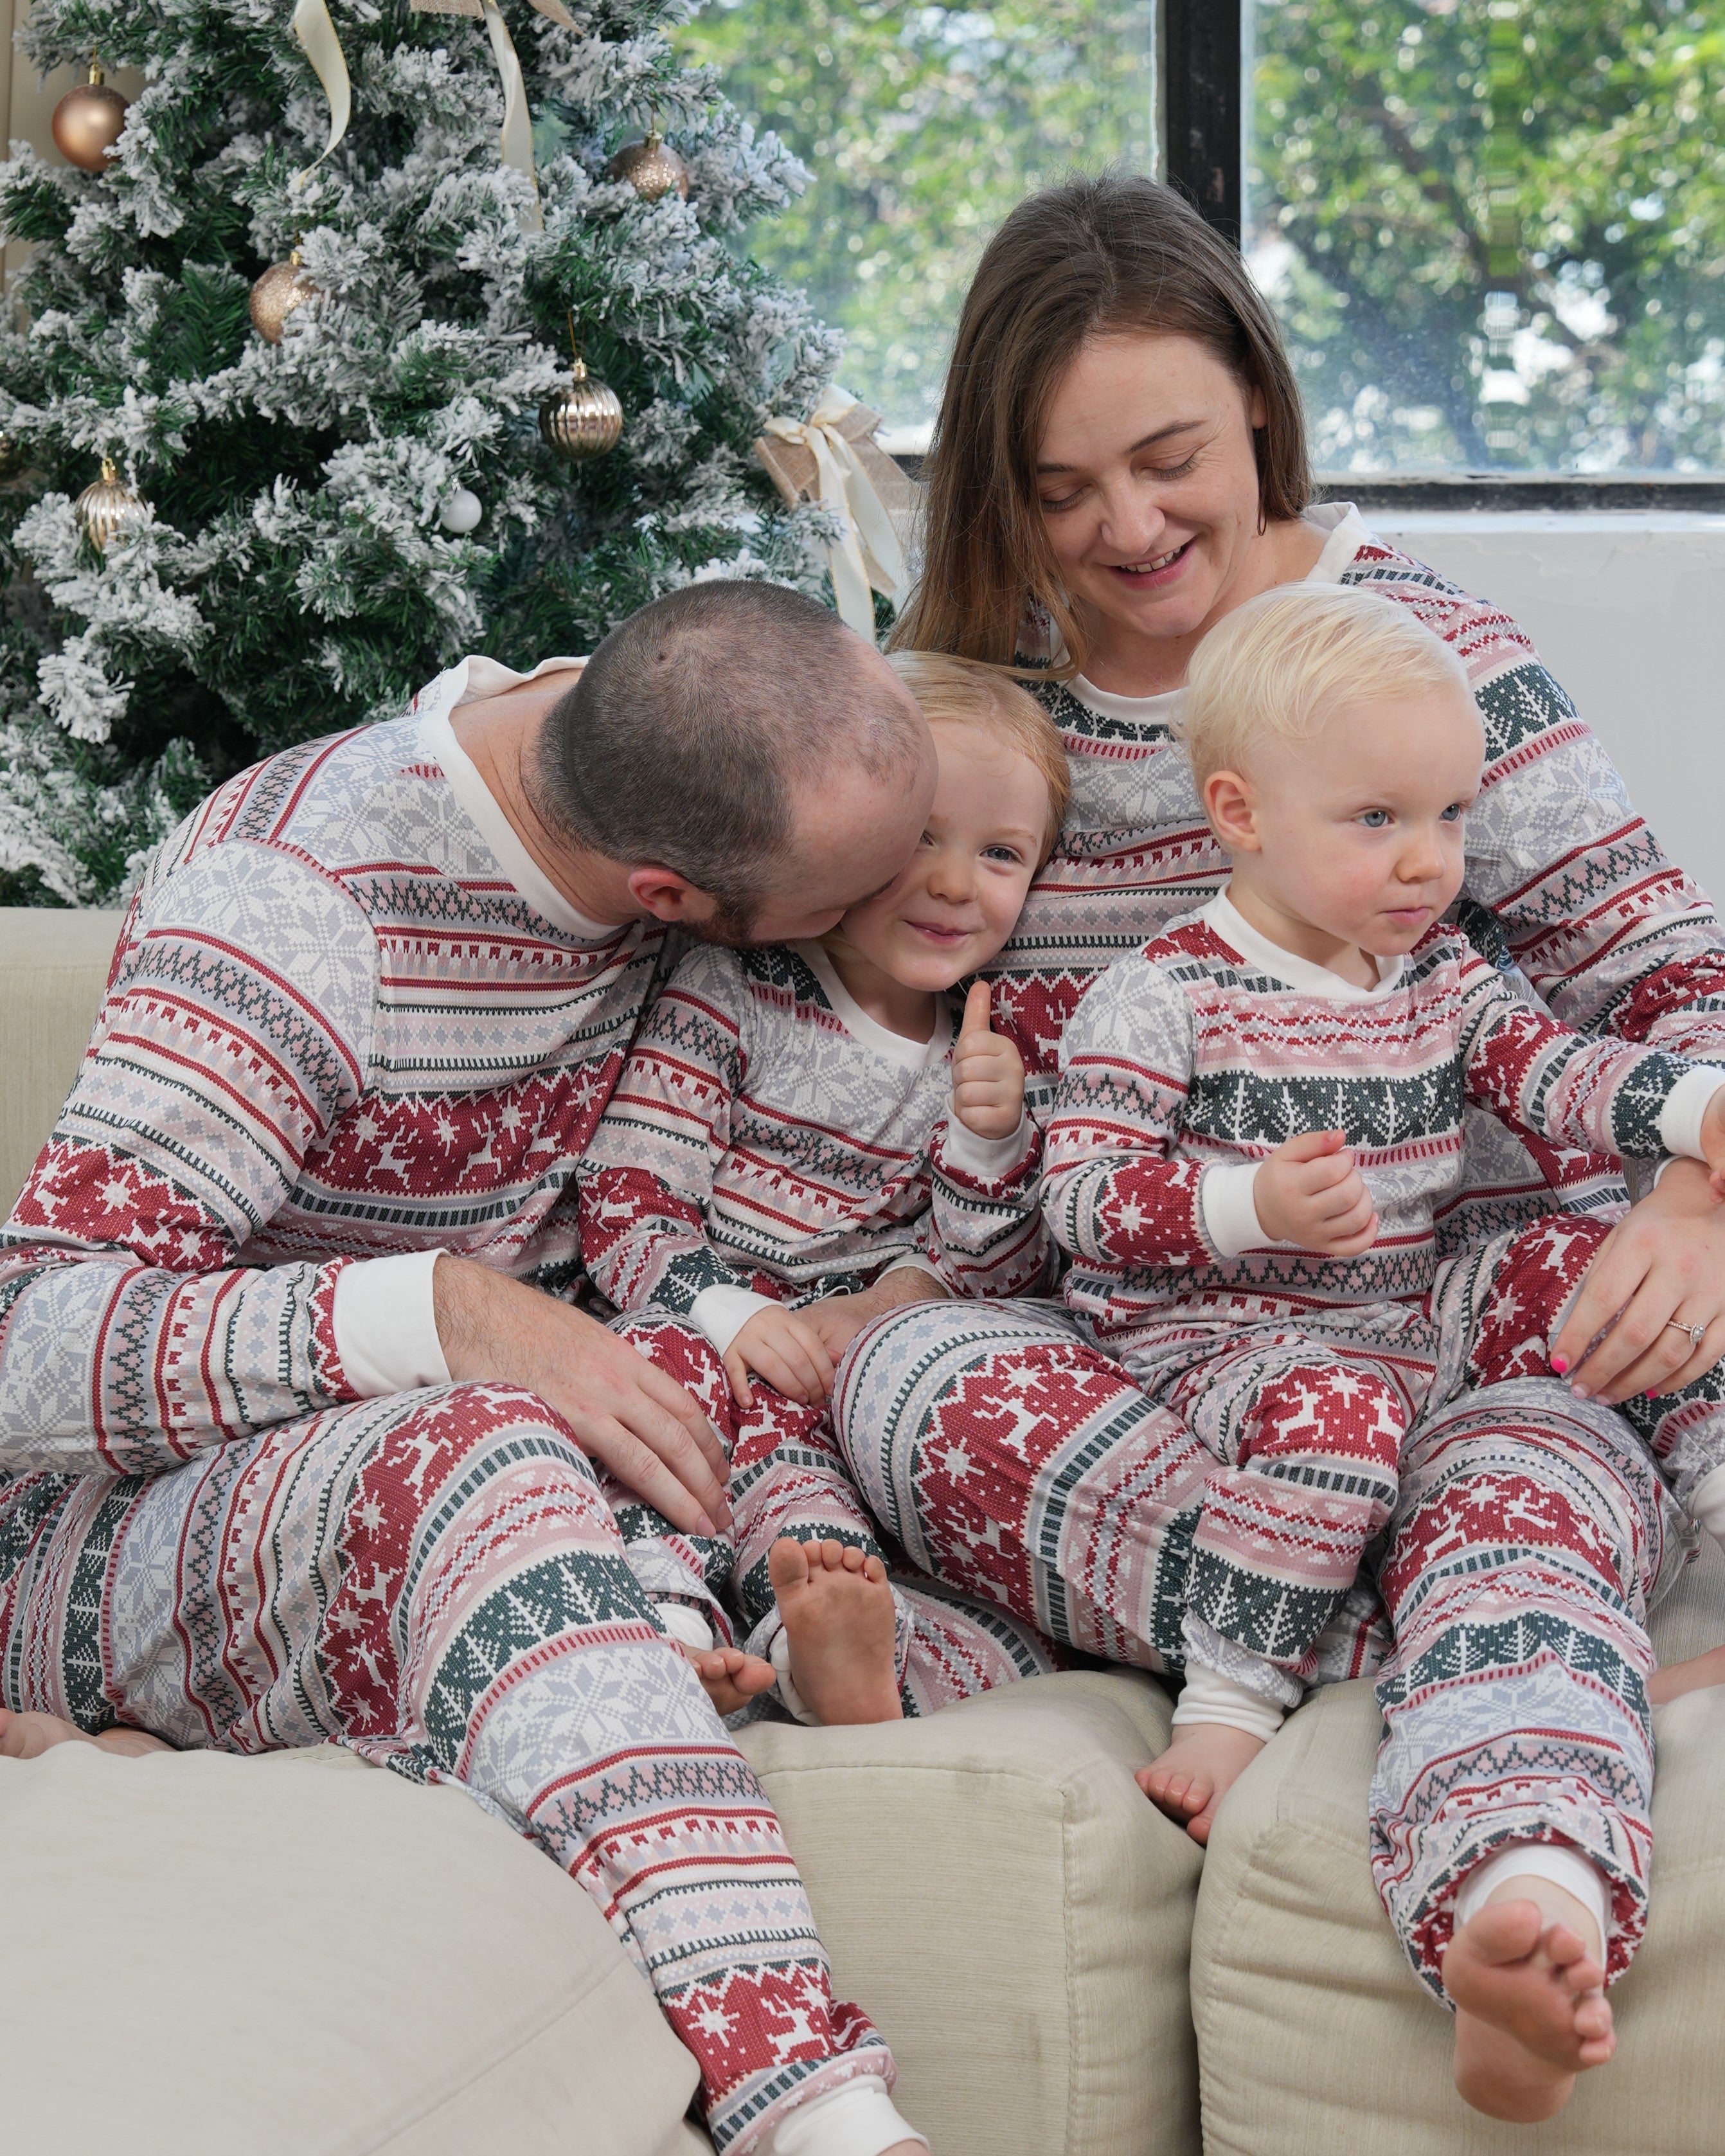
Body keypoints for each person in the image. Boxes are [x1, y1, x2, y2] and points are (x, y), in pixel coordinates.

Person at [830, 173, 1725, 2125]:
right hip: (1167, 1365)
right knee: (906, 1375)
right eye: (1061, 490)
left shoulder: (1415, 644)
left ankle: (1508, 1848)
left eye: (1166, 460)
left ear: (1256, 401)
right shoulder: (980, 709)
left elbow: (1662, 985)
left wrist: (1692, 1193)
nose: (1127, 529)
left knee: (1539, 1443)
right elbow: (848, 1035)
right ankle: (1477, 1609)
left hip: (1457, 1343)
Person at [0, 580, 940, 2156]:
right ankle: (825, 2114)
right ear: (669, 896)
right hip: (121, 1529)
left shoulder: (652, 729)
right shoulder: (294, 901)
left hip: (542, 1469)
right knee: (484, 1443)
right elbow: (30, 1342)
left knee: (805, 1465)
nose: (910, 895)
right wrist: (440, 1310)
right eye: (861, 886)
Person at [1046, 584, 1725, 2008]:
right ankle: (1233, 1701)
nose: (1428, 862)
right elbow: (1084, 1200)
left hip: (1410, 1300)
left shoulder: (1438, 973)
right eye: (1376, 822)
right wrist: (1246, 1205)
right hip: (1222, 1331)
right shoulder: (1162, 993)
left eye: (1451, 818)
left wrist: (1695, 1109)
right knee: (1338, 1415)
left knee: (1578, 1259)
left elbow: (1560, 1072)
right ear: (1239, 812)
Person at [580, 653, 1068, 1726]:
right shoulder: (739, 986)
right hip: (699, 1337)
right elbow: (625, 1193)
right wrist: (736, 1315)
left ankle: (827, 1667)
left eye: (999, 853)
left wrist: (990, 1148)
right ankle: (667, 1629)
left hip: (844, 1389)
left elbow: (992, 1269)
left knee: (954, 1589)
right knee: (701, 1425)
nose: (953, 882)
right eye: (919, 840)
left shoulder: (983, 1054)